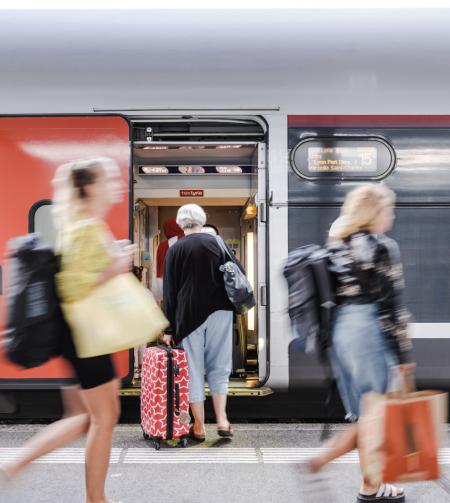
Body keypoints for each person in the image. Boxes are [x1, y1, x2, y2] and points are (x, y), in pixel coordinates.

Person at [0, 158, 134, 503]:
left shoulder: (78, 224)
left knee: (83, 417)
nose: (116, 184)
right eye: (109, 180)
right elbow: (75, 287)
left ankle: (15, 464)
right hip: (84, 336)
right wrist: (117, 266)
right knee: (105, 417)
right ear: (89, 188)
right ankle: (95, 498)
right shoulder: (88, 226)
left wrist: (113, 260)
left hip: (75, 334)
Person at [309, 184, 415, 503]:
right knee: (375, 413)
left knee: (365, 413)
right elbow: (391, 306)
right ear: (375, 213)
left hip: (343, 331)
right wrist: (403, 354)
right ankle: (365, 484)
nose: (391, 216)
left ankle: (368, 482)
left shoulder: (337, 245)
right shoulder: (382, 246)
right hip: (368, 328)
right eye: (388, 210)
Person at [162, 204, 237, 441]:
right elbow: (237, 274)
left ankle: (200, 427)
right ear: (202, 220)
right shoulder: (218, 242)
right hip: (221, 311)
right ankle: (223, 420)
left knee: (193, 370)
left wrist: (169, 328)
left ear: (180, 223)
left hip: (190, 315)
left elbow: (170, 292)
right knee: (220, 367)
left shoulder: (175, 249)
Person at [153, 218, 184, 302]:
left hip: (168, 288)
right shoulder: (190, 241)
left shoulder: (161, 246)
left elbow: (157, 270)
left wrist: (158, 295)